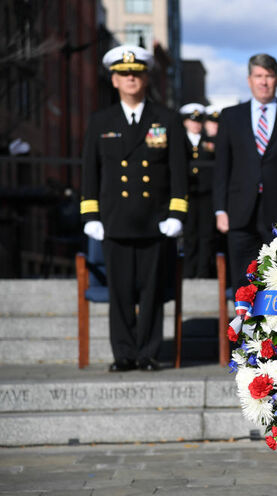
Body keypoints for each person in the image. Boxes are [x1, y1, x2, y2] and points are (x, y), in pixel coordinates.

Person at [80, 45, 188, 372]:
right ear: (113, 80)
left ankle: (149, 353)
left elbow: (179, 172)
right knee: (121, 292)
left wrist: (177, 214)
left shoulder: (166, 119)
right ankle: (124, 354)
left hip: (154, 221)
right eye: (124, 74)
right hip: (114, 221)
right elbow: (90, 171)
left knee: (152, 291)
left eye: (136, 73)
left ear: (145, 78)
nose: (131, 78)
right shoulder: (101, 121)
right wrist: (90, 215)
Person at [213, 53, 277, 293]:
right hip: (239, 214)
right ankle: (244, 329)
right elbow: (221, 168)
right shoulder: (230, 116)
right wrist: (220, 209)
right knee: (242, 281)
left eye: (269, 76)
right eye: (259, 76)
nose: (264, 82)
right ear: (249, 80)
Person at [181, 103, 216, 278]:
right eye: (191, 121)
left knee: (206, 234)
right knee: (189, 234)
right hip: (188, 193)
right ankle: (188, 271)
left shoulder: (209, 141)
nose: (195, 125)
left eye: (198, 121)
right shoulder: (181, 141)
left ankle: (203, 272)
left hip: (206, 193)